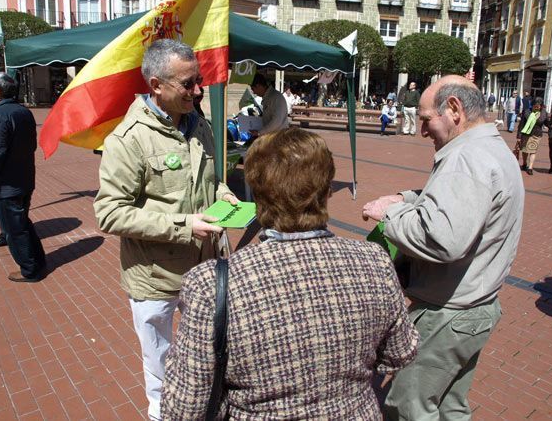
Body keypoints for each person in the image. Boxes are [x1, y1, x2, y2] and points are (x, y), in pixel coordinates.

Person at [162, 127, 419, 419]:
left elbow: (184, 409)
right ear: (326, 189)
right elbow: (400, 353)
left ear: (257, 194)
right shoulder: (374, 261)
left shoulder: (212, 283)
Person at [362, 75, 524, 420]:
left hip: (448, 313)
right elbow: (464, 205)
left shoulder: (466, 157)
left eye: (425, 120)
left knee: (408, 407)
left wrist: (390, 215)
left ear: (454, 109)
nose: (422, 131)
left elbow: (442, 239)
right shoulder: (492, 147)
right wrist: (408, 198)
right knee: (450, 404)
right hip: (476, 307)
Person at [93, 39, 238, 421]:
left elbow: (210, 180)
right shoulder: (129, 139)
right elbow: (109, 213)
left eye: (199, 80)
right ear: (156, 85)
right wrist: (184, 225)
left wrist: (226, 196)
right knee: (160, 364)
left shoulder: (199, 122)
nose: (198, 90)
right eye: (188, 84)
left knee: (209, 350)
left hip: (205, 270)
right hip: (155, 278)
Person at [0, 72, 46, 283]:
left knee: (15, 230)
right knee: (23, 224)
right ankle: (38, 261)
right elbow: (31, 145)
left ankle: (30, 270)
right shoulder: (23, 111)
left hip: (6, 185)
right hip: (23, 179)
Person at [516, 97, 548, 175]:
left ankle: (530, 167)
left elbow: (546, 122)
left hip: (536, 134)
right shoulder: (527, 111)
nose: (537, 107)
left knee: (533, 151)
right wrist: (519, 136)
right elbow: (522, 124)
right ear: (532, 105)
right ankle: (524, 164)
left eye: (538, 106)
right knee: (525, 150)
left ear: (541, 106)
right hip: (526, 133)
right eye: (535, 105)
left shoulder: (543, 113)